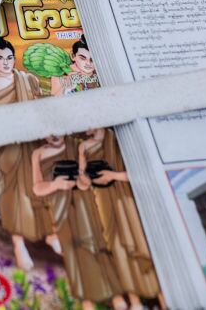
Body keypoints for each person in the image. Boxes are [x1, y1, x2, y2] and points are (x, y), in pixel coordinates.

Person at [0, 35, 54, 269]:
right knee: (15, 188)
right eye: (0, 58)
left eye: (9, 58)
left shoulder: (26, 79)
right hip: (3, 144)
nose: (6, 63)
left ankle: (49, 233)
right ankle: (19, 243)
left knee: (42, 179)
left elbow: (40, 109)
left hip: (30, 138)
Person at [32, 135, 119, 310]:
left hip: (85, 204)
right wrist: (54, 185)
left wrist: (82, 181)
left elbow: (89, 177)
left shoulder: (77, 145)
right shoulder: (38, 153)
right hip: (59, 207)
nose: (54, 135)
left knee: (98, 248)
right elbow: (37, 188)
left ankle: (118, 299)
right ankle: (87, 302)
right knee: (73, 255)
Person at [79, 129, 163, 310]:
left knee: (140, 242)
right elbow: (82, 178)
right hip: (103, 199)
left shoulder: (119, 138)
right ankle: (134, 301)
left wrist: (113, 176)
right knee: (117, 246)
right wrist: (85, 180)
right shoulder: (84, 146)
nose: (86, 129)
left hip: (127, 198)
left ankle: (163, 298)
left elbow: (144, 173)